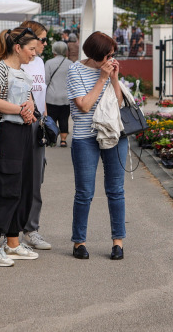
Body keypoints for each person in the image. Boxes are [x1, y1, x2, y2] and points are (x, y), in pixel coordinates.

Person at [66, 31, 127, 261]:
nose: (110, 58)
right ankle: (79, 242)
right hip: (85, 138)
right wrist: (102, 78)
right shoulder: (75, 71)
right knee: (84, 192)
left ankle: (118, 243)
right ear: (94, 56)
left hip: (113, 135)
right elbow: (83, 106)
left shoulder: (110, 70)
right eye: (107, 55)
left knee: (116, 190)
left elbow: (118, 104)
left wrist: (114, 78)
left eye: (113, 54)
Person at [0, 27, 39, 267]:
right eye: (32, 49)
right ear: (18, 48)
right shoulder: (0, 68)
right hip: (7, 132)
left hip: (24, 131)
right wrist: (20, 109)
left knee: (22, 187)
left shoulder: (22, 71)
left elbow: (29, 100)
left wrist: (29, 107)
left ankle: (13, 242)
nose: (34, 54)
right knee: (6, 187)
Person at [19, 20, 52, 251]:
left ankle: (31, 229)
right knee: (16, 179)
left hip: (37, 125)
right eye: (42, 39)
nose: (44, 43)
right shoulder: (17, 63)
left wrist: (45, 120)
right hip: (19, 125)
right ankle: (9, 230)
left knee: (36, 181)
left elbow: (42, 94)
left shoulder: (40, 62)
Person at [45, 41, 72, 147]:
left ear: (54, 51)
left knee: (51, 118)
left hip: (52, 96)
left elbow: (46, 80)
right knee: (64, 118)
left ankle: (52, 139)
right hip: (66, 97)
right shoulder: (71, 63)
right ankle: (63, 140)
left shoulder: (49, 63)